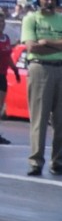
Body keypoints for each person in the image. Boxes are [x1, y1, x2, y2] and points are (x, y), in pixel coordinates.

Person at [21, 0, 62, 176]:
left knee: (61, 118)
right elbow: (32, 48)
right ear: (38, 1)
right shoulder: (31, 20)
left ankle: (58, 161)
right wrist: (59, 46)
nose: (50, 2)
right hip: (40, 68)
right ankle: (36, 161)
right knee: (39, 118)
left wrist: (47, 42)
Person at [0, 17, 21, 145]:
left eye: (2, 22)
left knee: (0, 107)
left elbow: (7, 57)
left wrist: (15, 69)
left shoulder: (6, 38)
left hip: (2, 75)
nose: (1, 24)